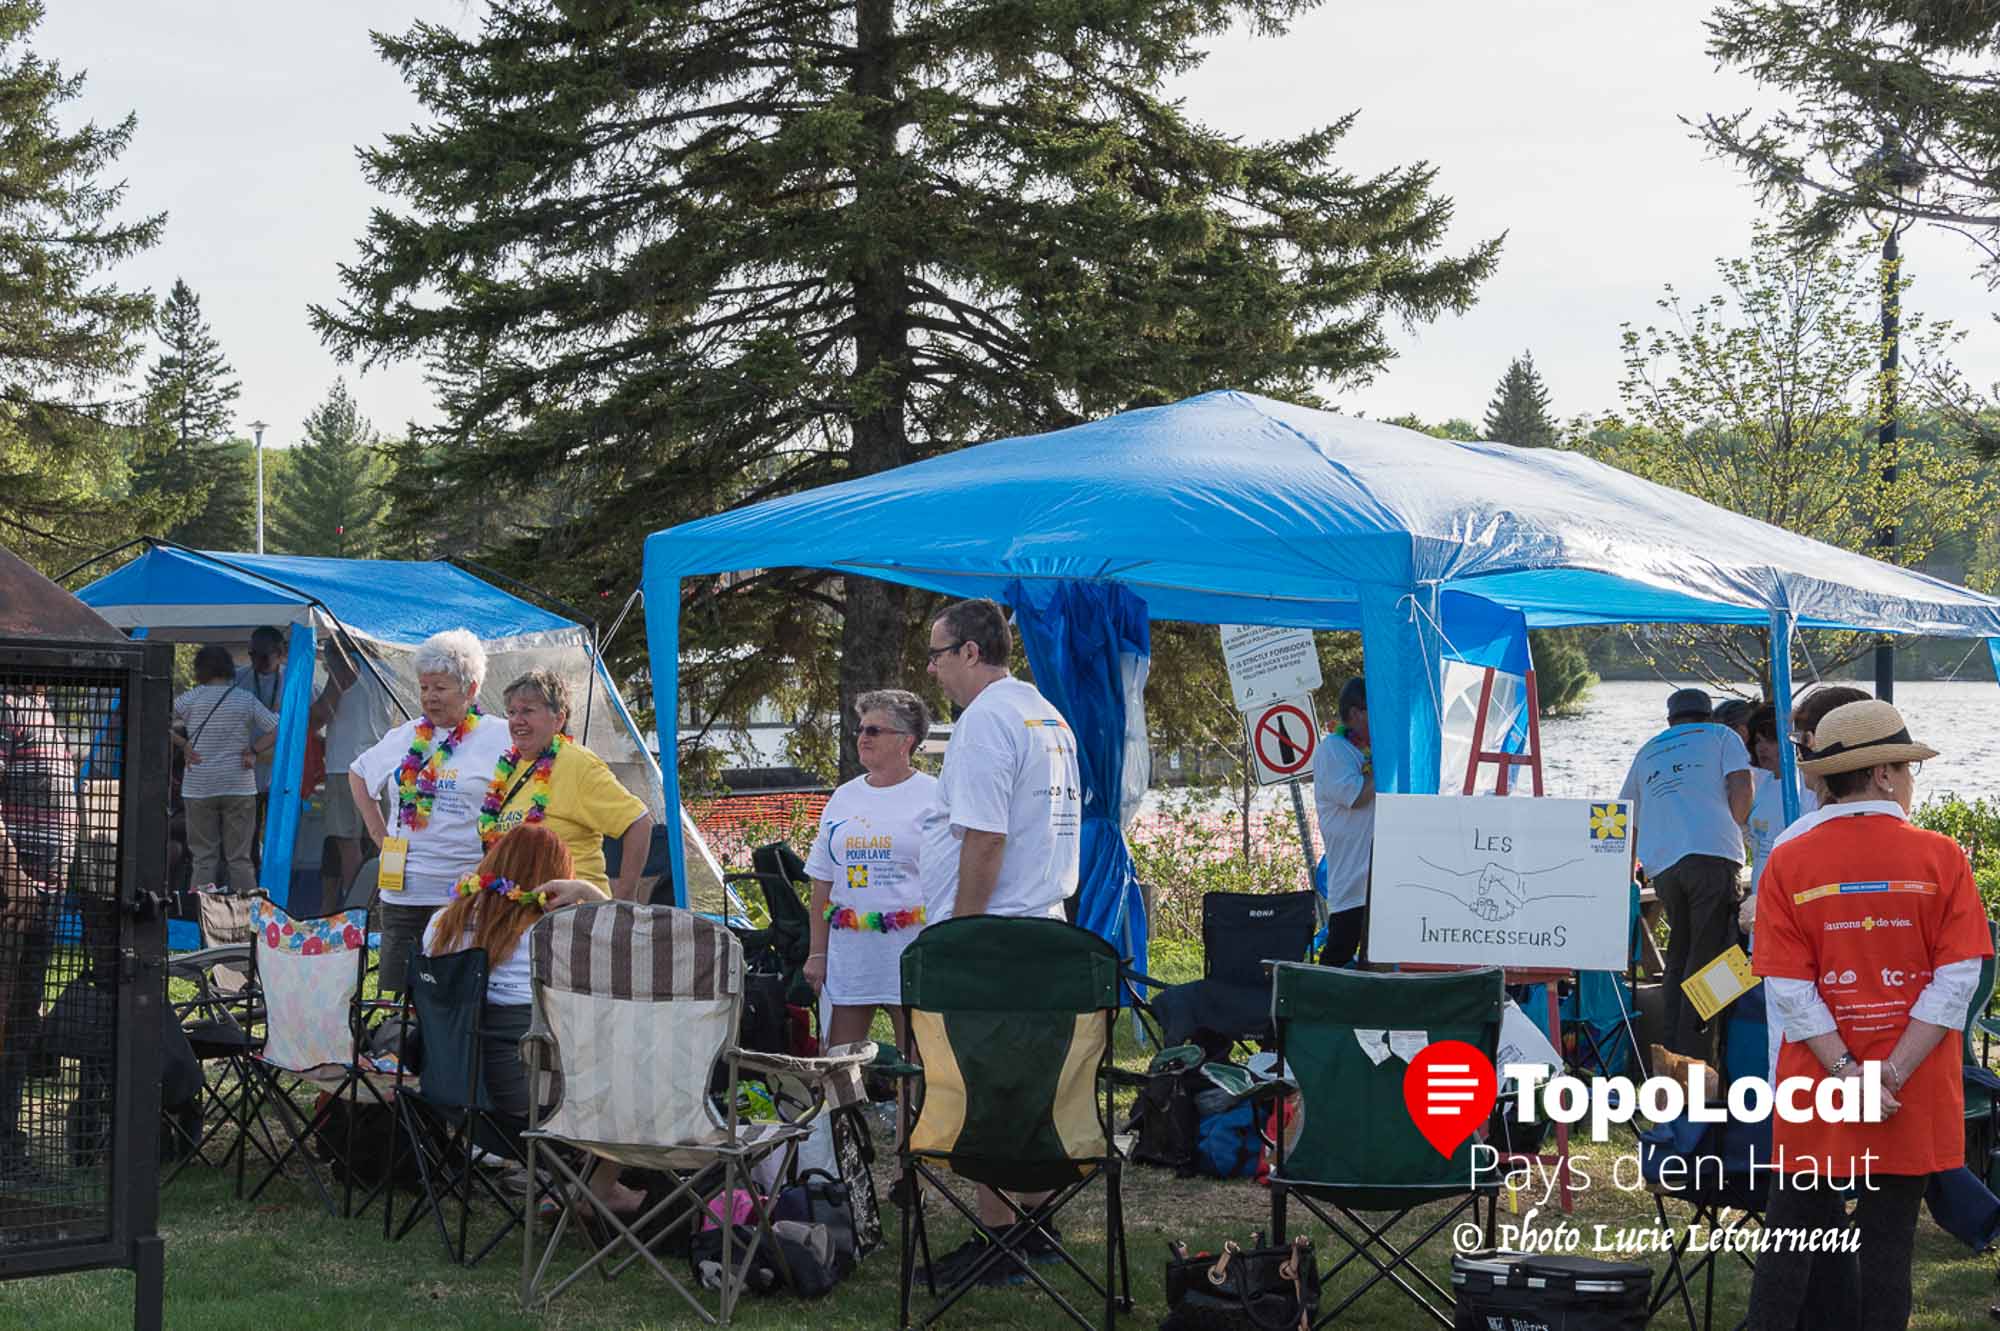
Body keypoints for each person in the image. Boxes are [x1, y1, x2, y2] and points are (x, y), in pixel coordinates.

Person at [1748, 700, 1992, 1331]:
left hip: (1817, 1084)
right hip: (1907, 1089)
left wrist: (1848, 1072)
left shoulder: (1789, 859)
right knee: (1888, 1253)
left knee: (1788, 1249)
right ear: (1883, 773)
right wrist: (1889, 1074)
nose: (1913, 782)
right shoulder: (1942, 856)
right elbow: (1958, 978)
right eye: (1908, 769)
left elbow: (1787, 986)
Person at [920, 597, 1082, 1286]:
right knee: (1025, 1085)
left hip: (998, 931)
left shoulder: (985, 719)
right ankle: (1038, 1221)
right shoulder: (1044, 712)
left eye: (937, 653)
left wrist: (962, 935)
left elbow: (985, 837)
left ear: (971, 652)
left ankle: (999, 1234)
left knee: (982, 1086)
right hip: (1042, 923)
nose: (931, 669)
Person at [418, 823, 641, 1213]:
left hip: (456, 1095)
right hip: (525, 1105)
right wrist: (588, 893)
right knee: (634, 1075)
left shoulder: (440, 923)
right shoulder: (553, 932)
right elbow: (632, 938)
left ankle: (580, 1183)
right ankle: (598, 1190)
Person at [348, 629, 510, 993]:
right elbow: (358, 773)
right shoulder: (406, 736)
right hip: (403, 892)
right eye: (424, 688)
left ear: (470, 689)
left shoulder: (499, 736)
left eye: (440, 688)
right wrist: (380, 837)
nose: (429, 698)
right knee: (396, 995)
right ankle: (395, 1051)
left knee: (454, 995)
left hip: (463, 893)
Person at [1618, 687, 1752, 1057]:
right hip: (1713, 856)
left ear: (1670, 721)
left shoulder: (1648, 750)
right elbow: (1742, 785)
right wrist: (1735, 826)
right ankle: (1698, 1055)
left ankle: (1670, 1046)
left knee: (1680, 952)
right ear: (1707, 716)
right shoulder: (1722, 736)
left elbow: (1625, 817)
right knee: (1715, 958)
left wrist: (1628, 870)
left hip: (1665, 868)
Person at [804, 689, 935, 1055]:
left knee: (918, 1058)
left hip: (911, 950)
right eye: (860, 729)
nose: (863, 737)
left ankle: (910, 1114)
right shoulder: (843, 797)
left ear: (906, 741)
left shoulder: (934, 796)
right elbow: (822, 880)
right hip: (852, 954)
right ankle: (846, 1116)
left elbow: (948, 880)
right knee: (839, 1059)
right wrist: (818, 952)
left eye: (875, 730)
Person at [481, 670, 653, 899]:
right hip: (518, 913)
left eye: (528, 711)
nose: (517, 720)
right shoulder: (509, 768)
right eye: (511, 712)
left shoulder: (577, 763)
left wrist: (622, 901)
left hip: (571, 918)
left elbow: (639, 822)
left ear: (558, 719)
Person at [0, 688, 78, 1185]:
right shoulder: (5, 705)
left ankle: (9, 1146)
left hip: (44, 892)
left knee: (20, 1024)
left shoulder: (41, 706)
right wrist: (14, 877)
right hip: (12, 896)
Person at [1739, 684, 1868, 941]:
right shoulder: (1760, 783)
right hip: (1768, 900)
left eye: (1772, 740)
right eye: (1758, 741)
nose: (1763, 748)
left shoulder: (1810, 793)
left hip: (1800, 917)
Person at [172, 644, 279, 894]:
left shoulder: (191, 697)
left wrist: (184, 744)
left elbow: (158, 716)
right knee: (240, 859)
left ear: (200, 671)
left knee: (203, 858)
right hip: (238, 786)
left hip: (199, 787)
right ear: (229, 669)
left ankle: (205, 919)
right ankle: (246, 921)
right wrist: (254, 750)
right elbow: (277, 727)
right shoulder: (244, 699)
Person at [318, 635, 394, 910]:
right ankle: (389, 900)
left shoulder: (345, 666)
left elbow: (322, 712)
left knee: (347, 844)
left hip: (346, 766)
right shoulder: (384, 670)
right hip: (384, 765)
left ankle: (357, 909)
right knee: (386, 840)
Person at [1311, 675, 1373, 967]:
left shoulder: (1369, 750)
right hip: (1352, 880)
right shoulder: (1332, 751)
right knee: (1339, 954)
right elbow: (1357, 795)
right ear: (1355, 713)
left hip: (1380, 877)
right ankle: (1316, 1008)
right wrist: (1385, 767)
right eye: (1374, 710)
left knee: (1378, 958)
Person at [237, 625, 287, 859]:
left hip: (280, 773)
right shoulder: (238, 679)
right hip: (246, 771)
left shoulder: (294, 681)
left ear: (280, 652)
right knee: (247, 836)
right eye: (252, 655)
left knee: (277, 838)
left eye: (264, 656)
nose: (257, 661)